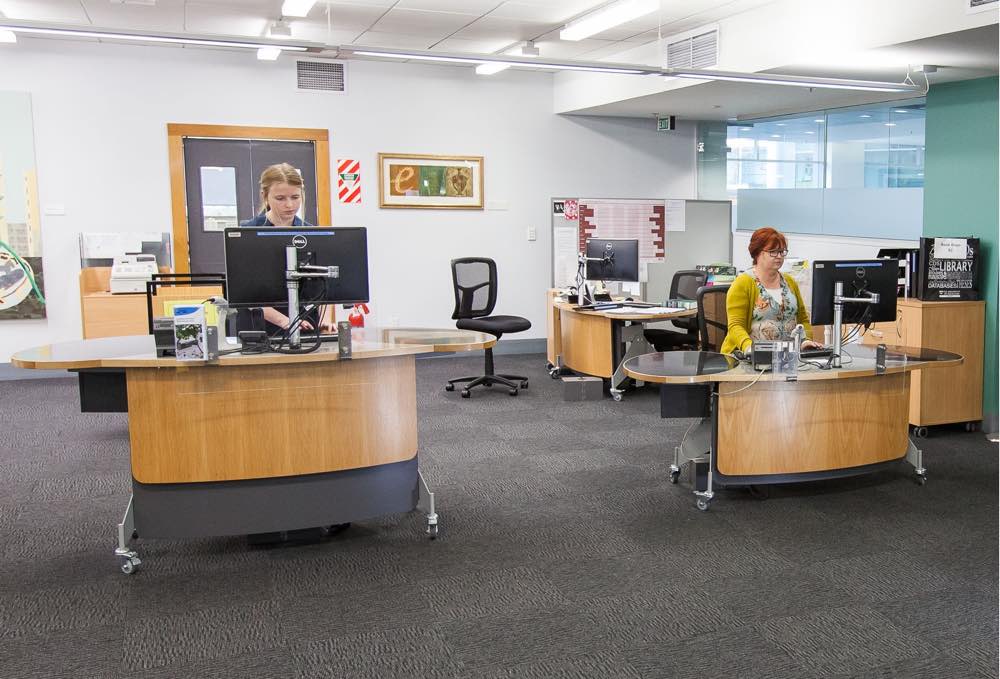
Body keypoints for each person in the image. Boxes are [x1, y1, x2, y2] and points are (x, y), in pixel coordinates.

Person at [239, 163, 332, 333]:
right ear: (265, 196)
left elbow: (321, 284)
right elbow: (244, 292)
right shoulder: (247, 233)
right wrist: (285, 321)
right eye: (280, 198)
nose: (289, 205)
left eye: (295, 197)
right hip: (260, 326)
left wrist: (325, 320)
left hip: (306, 325)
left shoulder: (312, 234)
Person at [720, 226, 822, 356]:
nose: (779, 256)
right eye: (773, 252)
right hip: (747, 356)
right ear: (758, 253)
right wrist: (749, 348)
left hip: (786, 358)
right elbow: (735, 326)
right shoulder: (742, 283)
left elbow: (802, 319)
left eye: (782, 252)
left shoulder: (790, 282)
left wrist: (805, 341)